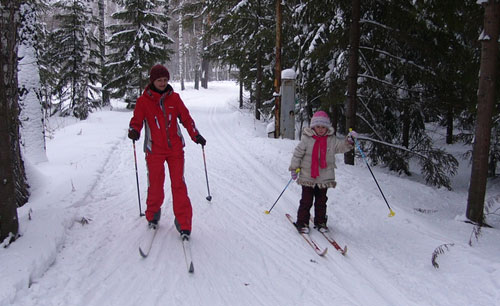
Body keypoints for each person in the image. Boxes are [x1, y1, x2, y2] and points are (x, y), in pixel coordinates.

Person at [128, 64, 206, 240]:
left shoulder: (175, 99)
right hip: (154, 150)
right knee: (155, 184)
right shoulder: (143, 102)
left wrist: (196, 135)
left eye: (165, 80)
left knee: (178, 184)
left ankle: (184, 223)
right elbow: (137, 120)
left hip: (175, 150)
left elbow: (186, 118)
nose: (162, 83)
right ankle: (153, 214)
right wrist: (134, 130)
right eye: (159, 80)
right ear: (152, 81)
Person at [288, 110, 356, 234]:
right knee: (306, 201)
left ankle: (321, 222)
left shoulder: (331, 139)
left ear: (327, 127)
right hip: (308, 176)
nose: (320, 129)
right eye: (318, 126)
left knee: (321, 201)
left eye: (323, 127)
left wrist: (349, 142)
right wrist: (294, 168)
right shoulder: (307, 139)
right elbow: (298, 154)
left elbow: (341, 147)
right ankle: (302, 222)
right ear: (313, 127)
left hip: (324, 177)